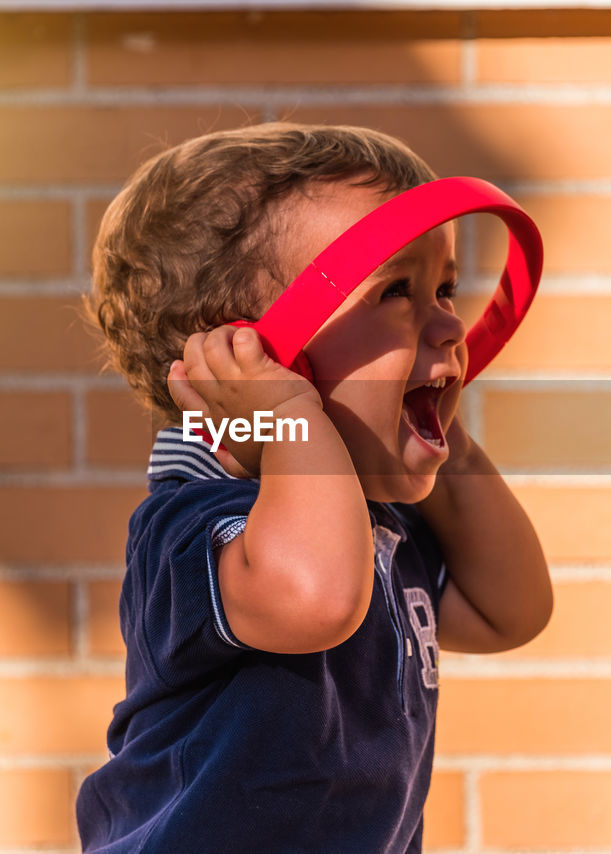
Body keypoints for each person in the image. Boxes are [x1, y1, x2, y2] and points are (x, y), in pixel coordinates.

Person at [76, 121, 552, 853]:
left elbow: (509, 610)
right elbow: (318, 597)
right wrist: (291, 417)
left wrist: (437, 428)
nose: (450, 325)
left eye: (447, 289)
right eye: (396, 291)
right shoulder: (192, 524)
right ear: (248, 355)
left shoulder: (376, 527)